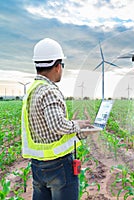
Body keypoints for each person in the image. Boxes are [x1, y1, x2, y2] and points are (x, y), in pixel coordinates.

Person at [21, 38, 93, 200]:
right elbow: (57, 125)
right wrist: (78, 125)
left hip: (38, 164)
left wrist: (79, 133)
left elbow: (47, 131)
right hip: (58, 166)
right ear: (57, 66)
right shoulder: (49, 90)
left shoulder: (32, 90)